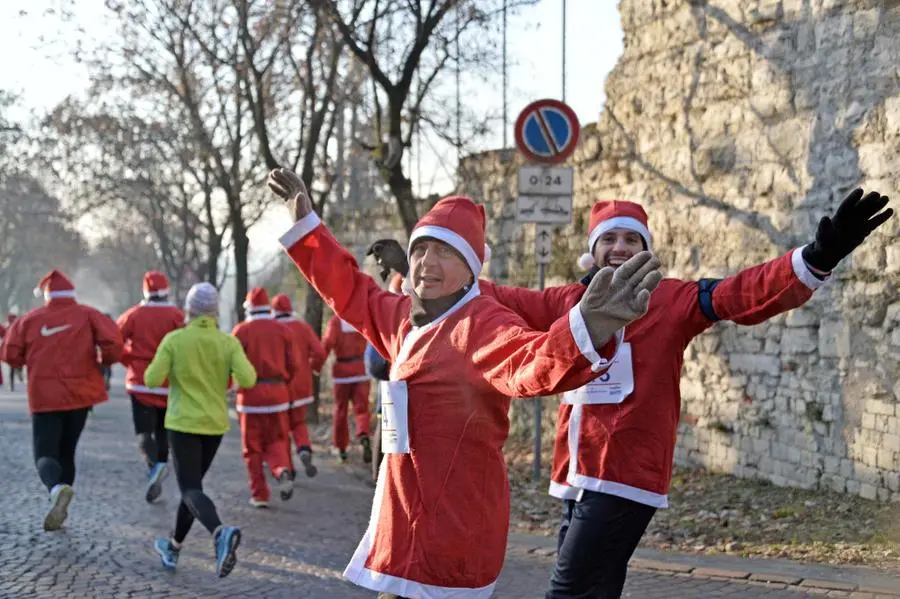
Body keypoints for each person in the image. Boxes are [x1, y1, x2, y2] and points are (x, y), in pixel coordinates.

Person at [370, 191, 895, 598]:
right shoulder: (565, 300)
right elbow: (475, 290)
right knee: (596, 589)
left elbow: (742, 294)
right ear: (592, 250)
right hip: (575, 473)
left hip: (625, 475)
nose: (619, 249)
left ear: (646, 251)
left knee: (569, 590)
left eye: (631, 241)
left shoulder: (672, 299)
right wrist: (409, 270)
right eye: (609, 240)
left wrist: (815, 257)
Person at [267, 166, 662, 598]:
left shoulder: (483, 324)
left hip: (453, 527)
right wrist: (307, 225)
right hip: (402, 519)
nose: (427, 263)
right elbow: (347, 289)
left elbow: (531, 363)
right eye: (421, 249)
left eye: (446, 252)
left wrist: (588, 328)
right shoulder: (401, 317)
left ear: (472, 268)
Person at [0, 270, 123, 531]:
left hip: (44, 396)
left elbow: (9, 353)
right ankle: (63, 498)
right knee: (68, 452)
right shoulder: (89, 314)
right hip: (80, 395)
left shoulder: (29, 320)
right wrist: (104, 362)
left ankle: (56, 490)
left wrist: (27, 362)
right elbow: (114, 342)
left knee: (44, 453)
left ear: (47, 295)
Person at [146, 282, 252, 578]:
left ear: (188, 310)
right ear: (215, 312)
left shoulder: (174, 339)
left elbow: (152, 378)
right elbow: (249, 377)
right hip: (215, 425)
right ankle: (174, 545)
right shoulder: (228, 342)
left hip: (182, 423)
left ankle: (220, 532)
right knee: (193, 490)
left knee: (190, 489)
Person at [116, 271, 185, 502]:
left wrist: (129, 360)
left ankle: (155, 466)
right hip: (169, 382)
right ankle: (161, 465)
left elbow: (114, 341)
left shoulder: (133, 315)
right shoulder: (177, 315)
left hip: (141, 382)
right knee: (164, 431)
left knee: (144, 433)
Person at [231, 287, 300, 506]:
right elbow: (294, 364)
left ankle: (259, 494)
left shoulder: (241, 331)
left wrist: (231, 386)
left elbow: (232, 364)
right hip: (278, 395)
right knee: (277, 441)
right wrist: (283, 383)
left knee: (252, 448)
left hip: (250, 398)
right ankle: (281, 470)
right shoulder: (282, 330)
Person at [271, 293, 327, 478]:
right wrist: (312, 368)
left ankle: (289, 468)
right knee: (299, 422)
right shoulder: (302, 327)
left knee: (282, 429)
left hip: (279, 386)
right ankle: (304, 449)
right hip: (302, 385)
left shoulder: (273, 328)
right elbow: (319, 351)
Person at [321, 313, 372, 463]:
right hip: (361, 369)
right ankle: (363, 434)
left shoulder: (336, 322)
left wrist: (316, 364)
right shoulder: (361, 317)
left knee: (340, 409)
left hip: (342, 372)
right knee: (362, 408)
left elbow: (327, 344)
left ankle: (341, 448)